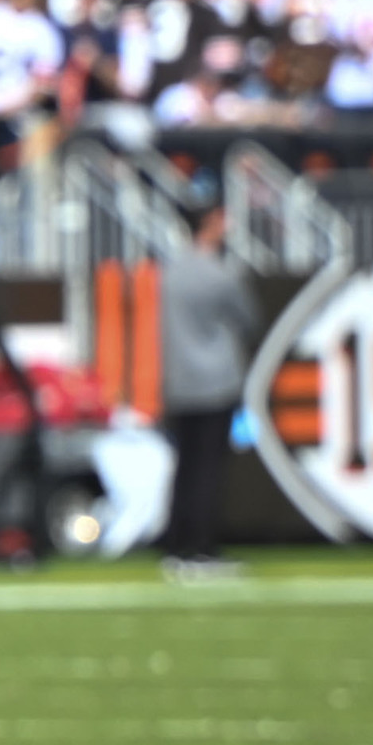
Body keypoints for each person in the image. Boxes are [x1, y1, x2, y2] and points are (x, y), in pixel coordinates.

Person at [157, 203, 255, 581]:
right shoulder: (221, 274)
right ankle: (200, 548)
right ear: (210, 223)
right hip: (216, 381)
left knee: (184, 468)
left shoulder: (170, 273)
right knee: (208, 470)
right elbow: (248, 319)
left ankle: (176, 545)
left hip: (180, 380)